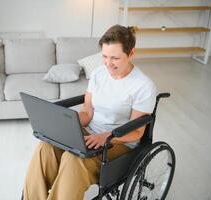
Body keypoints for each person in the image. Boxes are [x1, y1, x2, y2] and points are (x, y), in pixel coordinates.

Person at [22, 25, 156, 200]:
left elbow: (137, 132)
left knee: (74, 160)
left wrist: (105, 137)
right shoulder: (99, 74)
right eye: (105, 56)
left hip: (119, 143)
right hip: (90, 134)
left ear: (131, 54)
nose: (108, 63)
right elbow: (88, 113)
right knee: (45, 147)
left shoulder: (143, 85)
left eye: (115, 58)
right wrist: (65, 124)